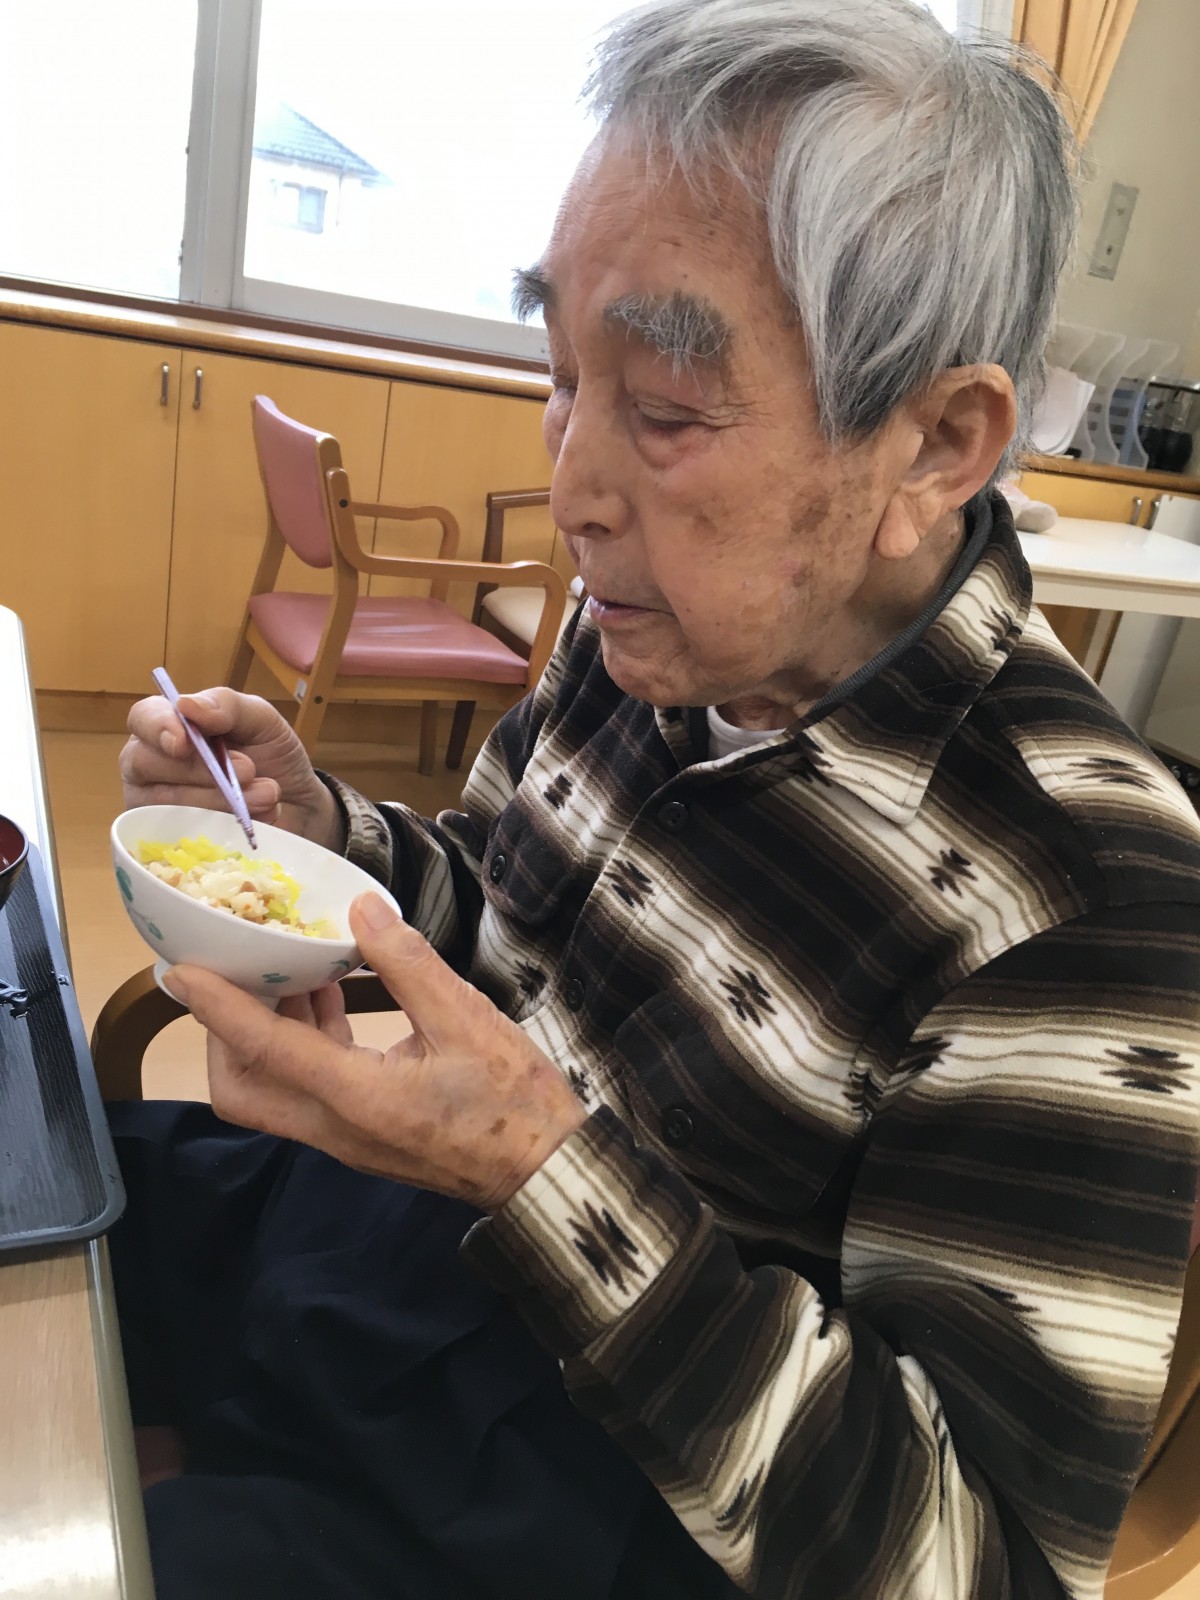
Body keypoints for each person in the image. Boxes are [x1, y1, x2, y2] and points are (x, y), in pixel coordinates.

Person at [114, 1, 1200, 1596]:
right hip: (396, 1246)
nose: (570, 491)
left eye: (670, 413)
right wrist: (326, 833)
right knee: (46, 1173)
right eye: (562, 377)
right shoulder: (655, 634)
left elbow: (978, 1560)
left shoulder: (1084, 898)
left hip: (598, 1489)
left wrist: (541, 1170)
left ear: (936, 442)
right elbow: (496, 903)